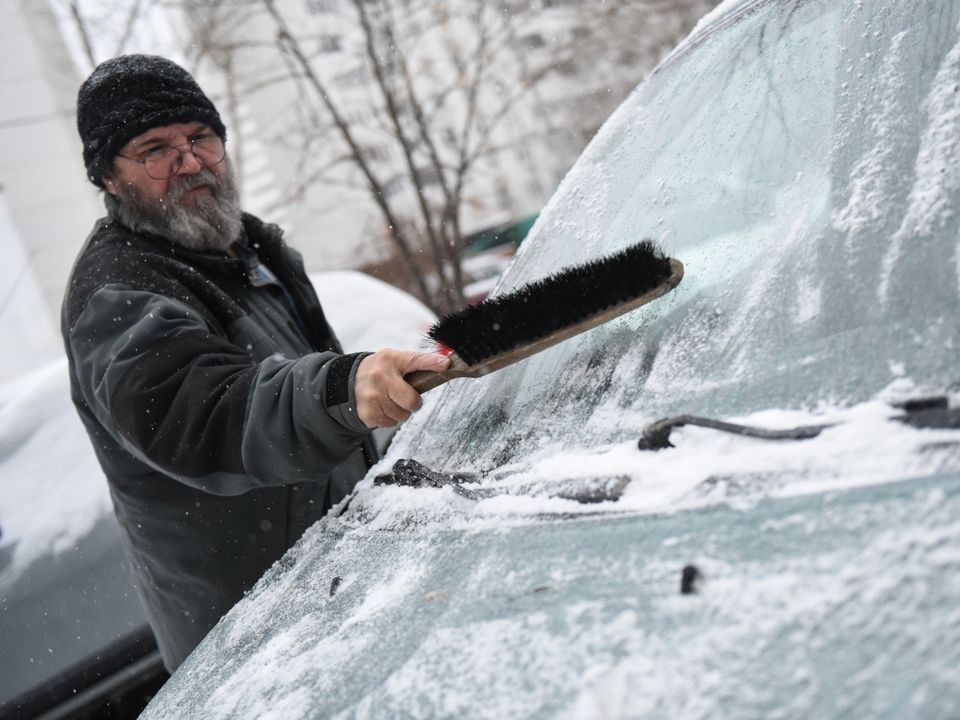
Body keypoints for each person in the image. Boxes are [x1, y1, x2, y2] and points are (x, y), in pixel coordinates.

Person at [61, 54, 449, 671]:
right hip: (254, 640)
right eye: (155, 149)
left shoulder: (253, 251)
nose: (190, 162)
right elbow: (205, 415)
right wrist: (341, 388)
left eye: (200, 137)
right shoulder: (117, 293)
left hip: (344, 578)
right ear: (110, 177)